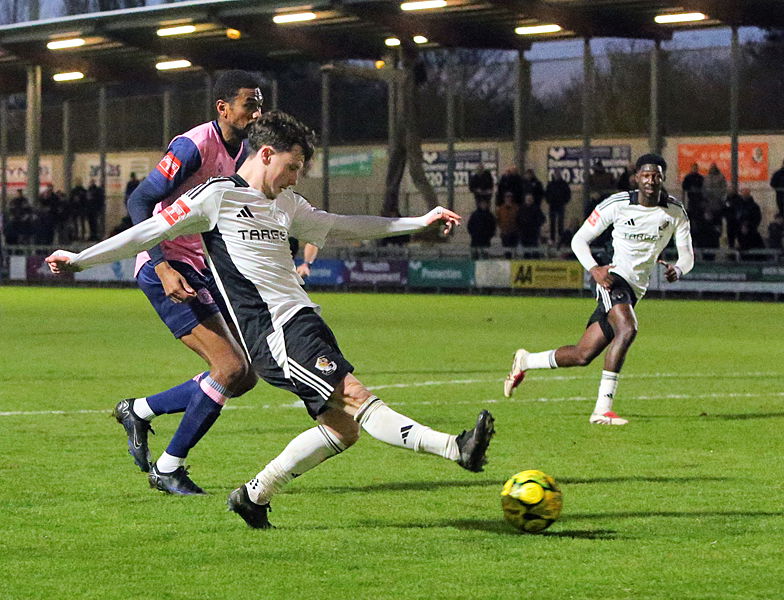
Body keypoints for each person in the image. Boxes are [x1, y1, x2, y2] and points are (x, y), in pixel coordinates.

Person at [46, 110, 496, 528]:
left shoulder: (287, 204)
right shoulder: (217, 196)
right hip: (275, 333)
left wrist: (417, 222)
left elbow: (343, 224)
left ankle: (253, 495)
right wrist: (81, 260)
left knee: (343, 429)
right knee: (356, 397)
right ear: (265, 154)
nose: (295, 177)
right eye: (292, 166)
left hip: (306, 321)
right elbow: (148, 230)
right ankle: (456, 448)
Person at [102, 70, 264, 495]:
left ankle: (139, 410)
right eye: (250, 104)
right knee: (230, 368)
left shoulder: (243, 151)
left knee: (246, 375)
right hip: (166, 264)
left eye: (260, 105)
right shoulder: (193, 145)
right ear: (223, 108)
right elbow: (139, 199)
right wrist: (161, 266)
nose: (257, 113)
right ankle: (169, 468)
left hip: (198, 264)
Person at [502, 153, 694, 426]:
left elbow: (687, 256)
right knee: (628, 329)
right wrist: (595, 269)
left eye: (656, 176)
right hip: (613, 279)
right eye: (646, 175)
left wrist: (679, 269)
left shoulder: (675, 211)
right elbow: (579, 240)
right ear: (636, 178)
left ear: (663, 178)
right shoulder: (617, 204)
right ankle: (602, 410)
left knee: (583, 354)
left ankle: (525, 361)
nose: (651, 181)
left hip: (636, 289)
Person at [544, 170, 571, 244]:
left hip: (560, 204)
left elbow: (568, 194)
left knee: (560, 222)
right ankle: (552, 238)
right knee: (552, 222)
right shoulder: (551, 184)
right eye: (556, 174)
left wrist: (564, 201)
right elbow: (546, 193)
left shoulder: (564, 184)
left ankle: (560, 238)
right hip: (552, 205)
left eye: (558, 174)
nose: (557, 176)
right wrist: (549, 201)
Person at [495, 191, 519, 258]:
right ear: (504, 198)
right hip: (505, 233)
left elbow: (519, 219)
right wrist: (502, 229)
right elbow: (498, 220)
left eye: (510, 197)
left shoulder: (516, 208)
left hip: (514, 233)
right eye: (507, 197)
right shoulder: (501, 209)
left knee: (514, 251)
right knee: (506, 252)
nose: (508, 198)